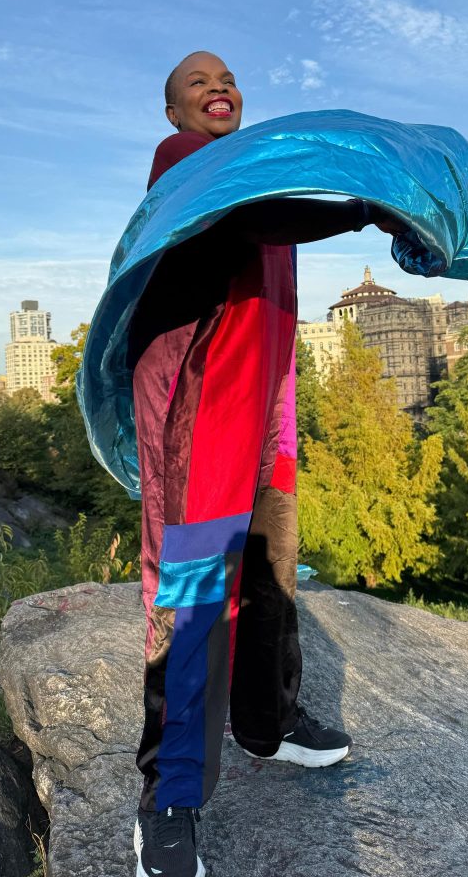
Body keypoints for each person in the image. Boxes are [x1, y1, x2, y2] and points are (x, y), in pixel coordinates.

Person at [130, 51, 405, 877]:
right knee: (191, 603)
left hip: (263, 429)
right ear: (174, 113)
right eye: (195, 85)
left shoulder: (249, 177)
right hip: (199, 425)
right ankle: (166, 802)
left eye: (228, 80)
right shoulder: (185, 163)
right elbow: (257, 214)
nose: (218, 88)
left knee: (271, 582)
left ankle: (266, 722)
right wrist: (365, 206)